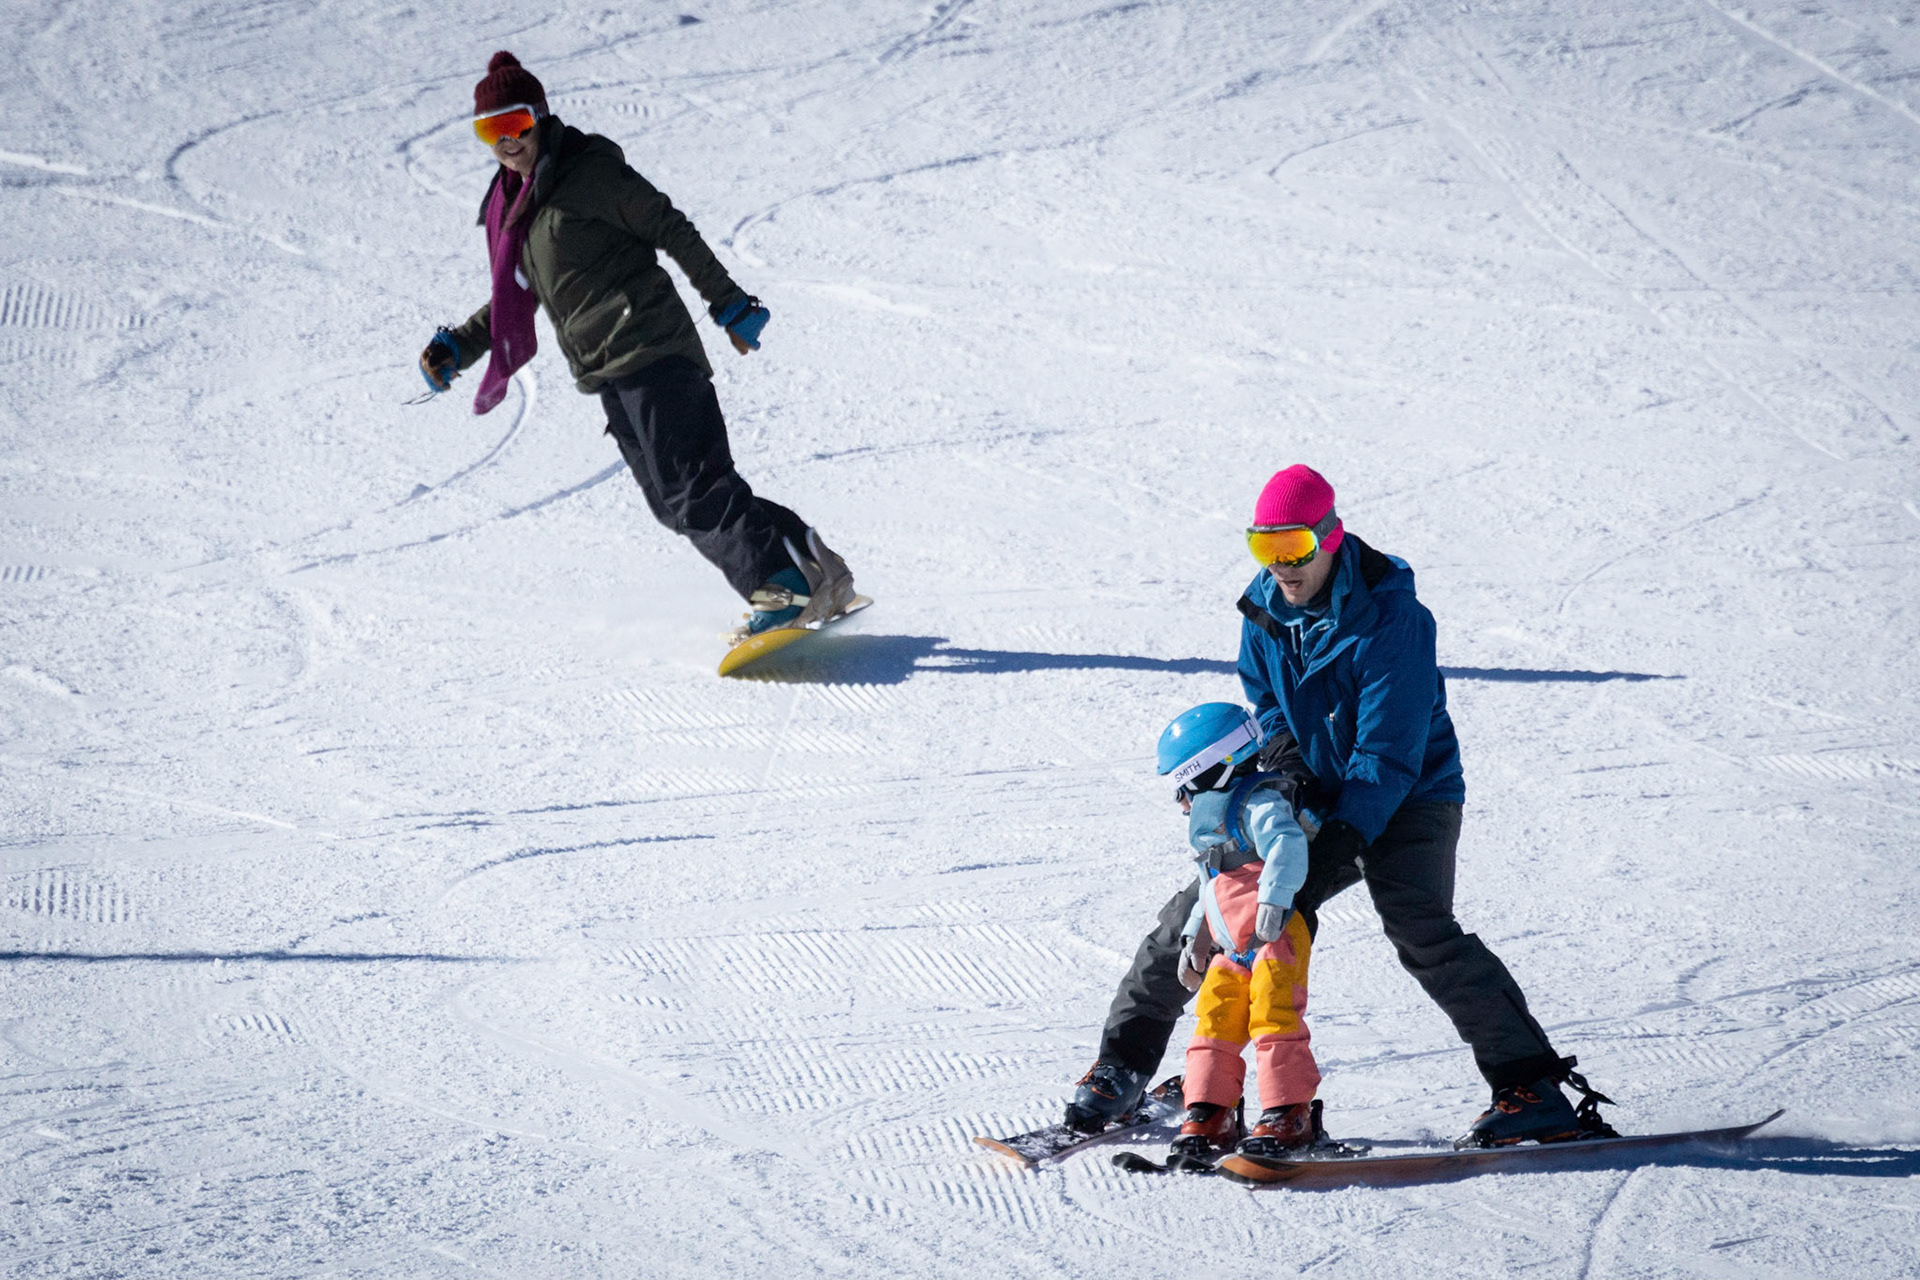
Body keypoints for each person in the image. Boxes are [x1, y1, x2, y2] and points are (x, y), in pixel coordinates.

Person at [1067, 465, 1612, 1148]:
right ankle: (1120, 1068)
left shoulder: (1395, 620)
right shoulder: (1264, 610)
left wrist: (1333, 845)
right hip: (1316, 791)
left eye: (1293, 547)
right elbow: (1268, 704)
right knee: (1205, 909)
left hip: (1410, 794)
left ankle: (1531, 1087)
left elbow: (1387, 753)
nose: (1281, 566)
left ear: (1329, 536)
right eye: (1264, 548)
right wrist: (1288, 769)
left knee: (1420, 927)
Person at [417, 52, 856, 642]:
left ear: (539, 115)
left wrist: (728, 302)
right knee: (674, 503)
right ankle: (809, 560)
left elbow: (670, 226)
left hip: (650, 346)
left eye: (514, 123)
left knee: (692, 488)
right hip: (607, 370)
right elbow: (516, 296)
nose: (506, 142)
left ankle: (779, 588)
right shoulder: (519, 209)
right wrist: (459, 346)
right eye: (489, 131)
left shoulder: (588, 174)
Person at [1152, 702, 1330, 1168]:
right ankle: (1209, 1111)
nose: (1182, 800)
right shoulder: (1214, 825)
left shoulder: (1259, 801)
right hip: (1230, 947)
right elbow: (1212, 887)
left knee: (1274, 1019)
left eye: (1185, 785)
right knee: (1213, 1025)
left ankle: (1288, 1113)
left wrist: (1274, 899)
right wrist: (1196, 937)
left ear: (1216, 766)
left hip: (1275, 937)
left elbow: (1286, 845)